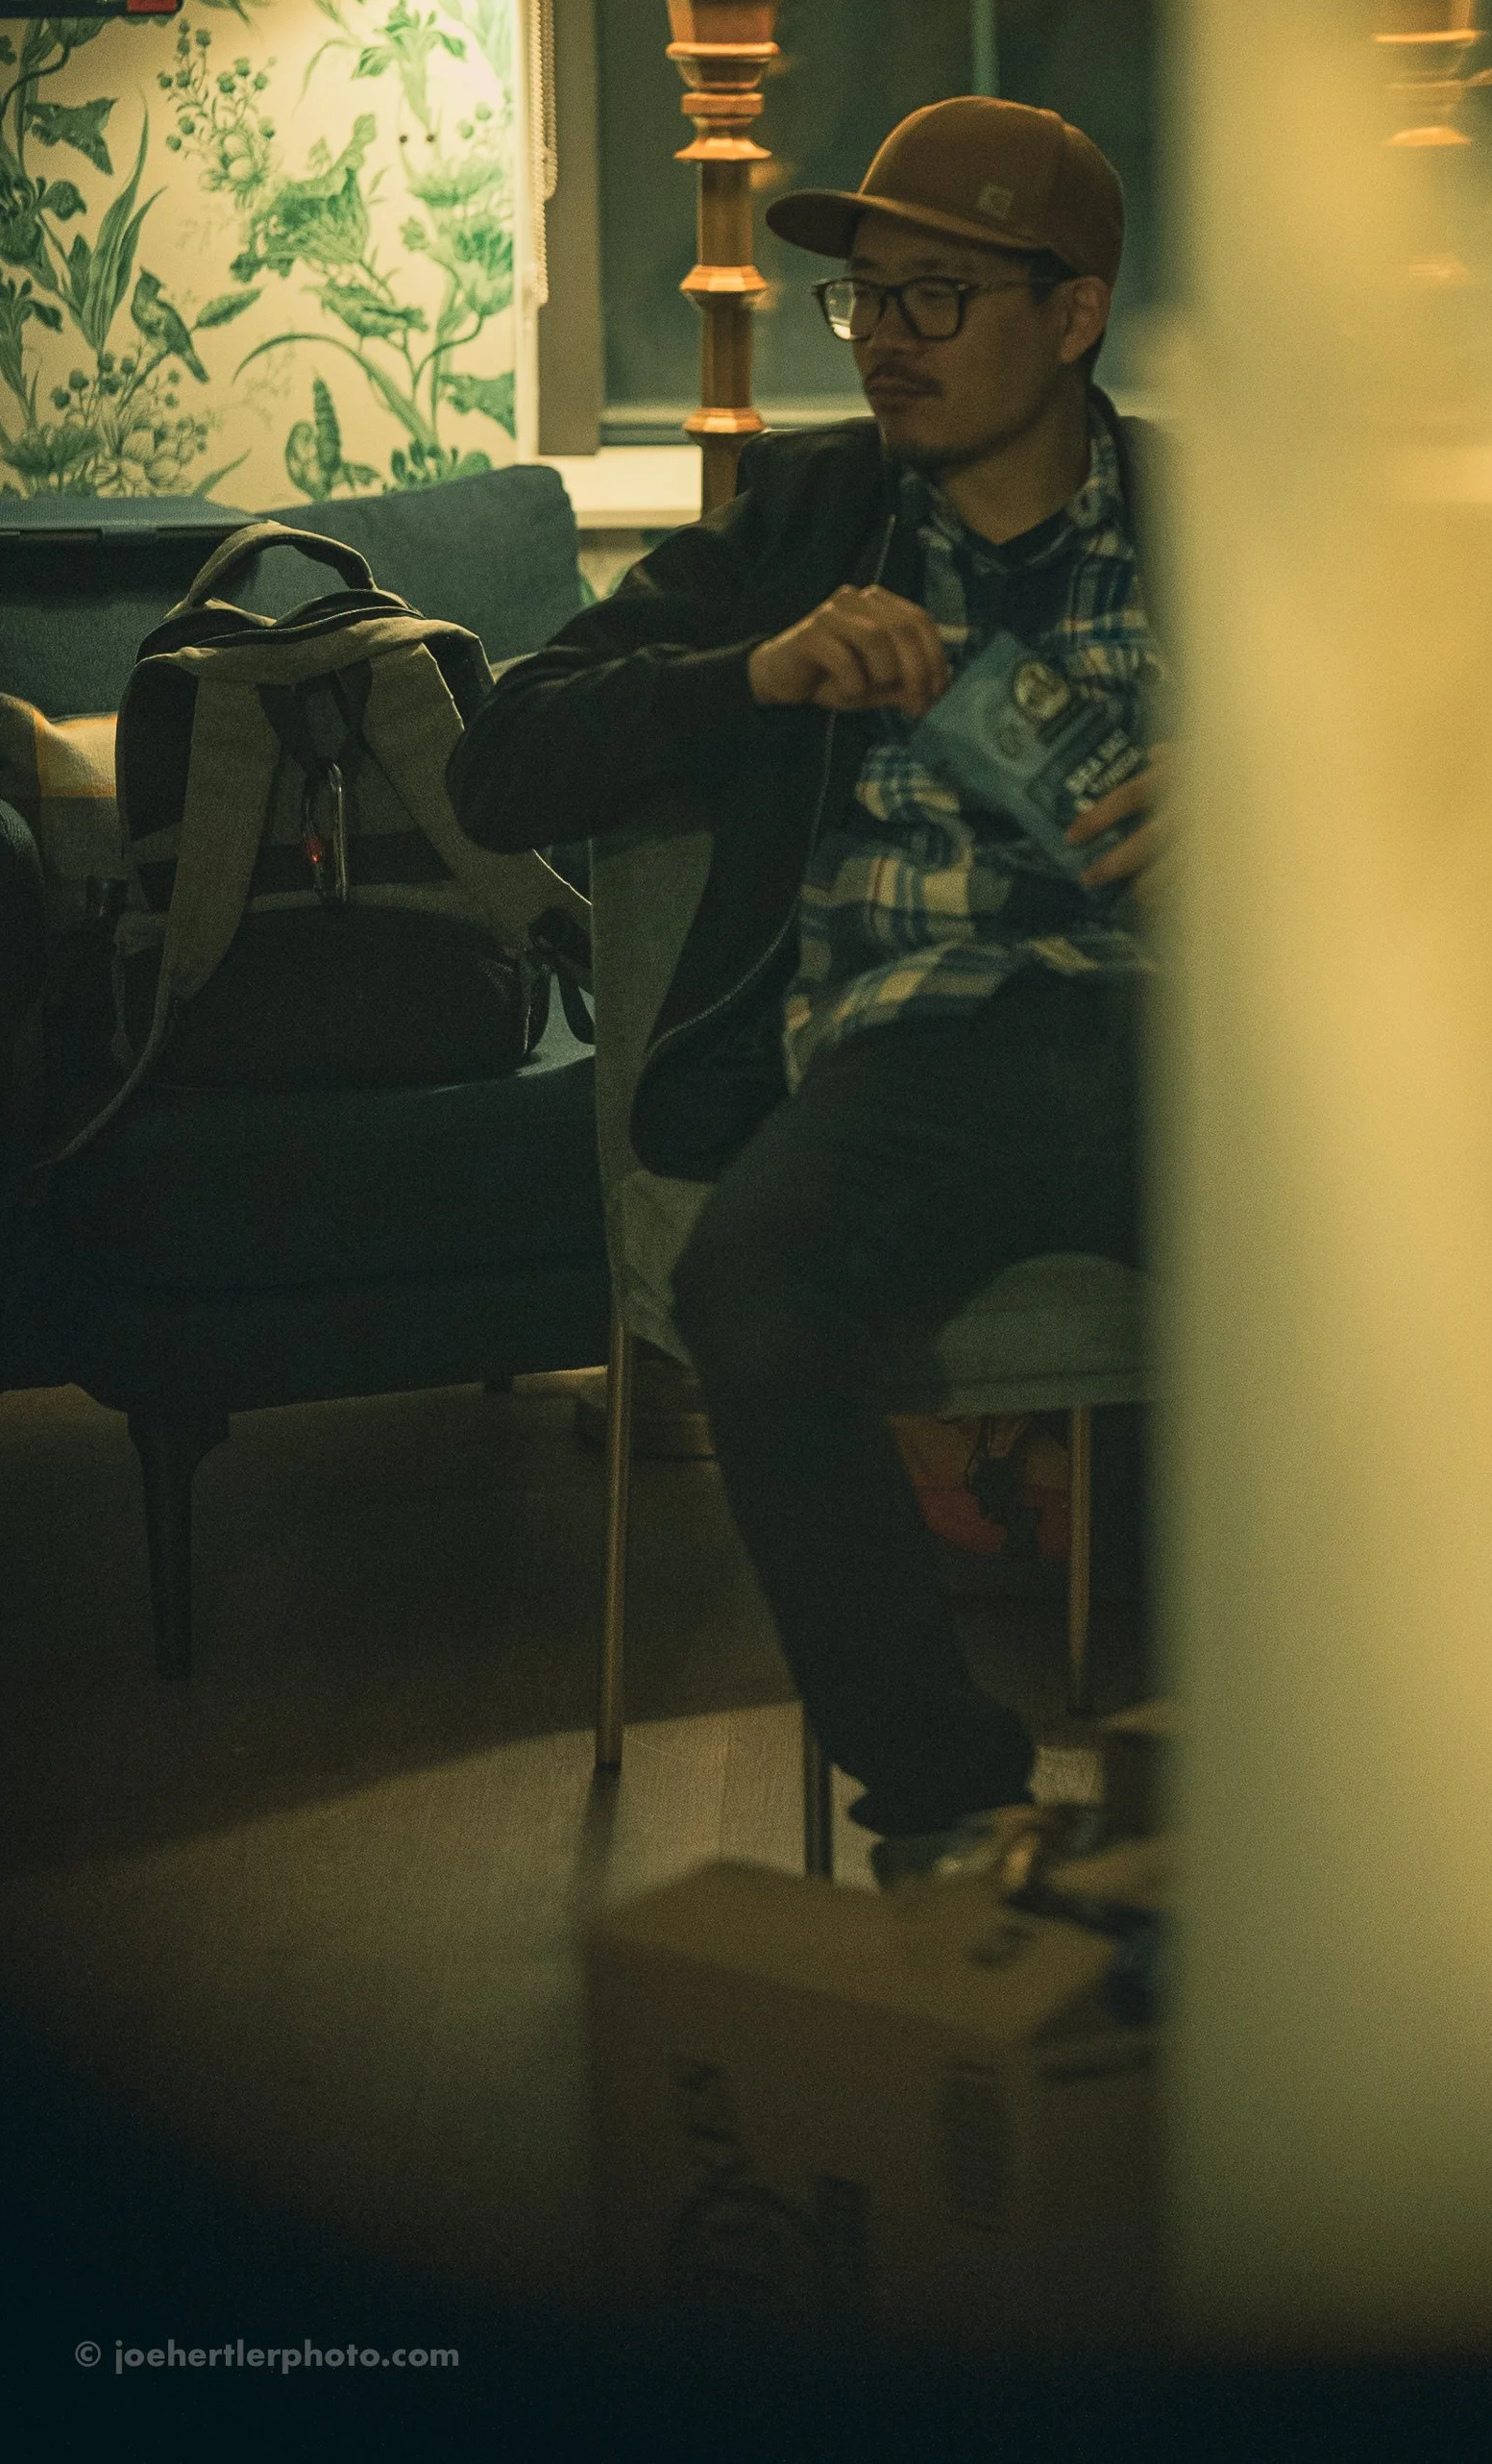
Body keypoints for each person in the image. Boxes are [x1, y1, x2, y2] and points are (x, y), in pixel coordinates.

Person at [447, 96, 1166, 1872]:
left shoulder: (1228, 524)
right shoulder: (804, 516)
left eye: (941, 296)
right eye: (870, 300)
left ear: (1071, 316)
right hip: (907, 1056)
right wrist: (753, 677)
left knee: (1436, 1278)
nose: (888, 341)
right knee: (753, 1293)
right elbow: (501, 761)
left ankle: (1368, 1797)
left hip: (1194, 1039)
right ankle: (954, 1806)